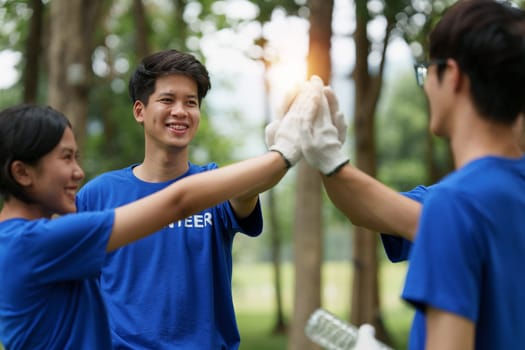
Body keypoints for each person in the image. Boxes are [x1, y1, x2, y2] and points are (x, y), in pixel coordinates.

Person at [271, 0, 525, 349]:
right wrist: (329, 160)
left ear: (451, 76)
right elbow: (372, 209)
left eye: (425, 71)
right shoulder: (500, 193)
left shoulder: (454, 206)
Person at [0, 78, 323, 348]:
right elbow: (178, 202)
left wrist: (272, 162)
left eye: (191, 101)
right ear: (23, 173)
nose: (78, 172)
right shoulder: (35, 244)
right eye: (66, 158)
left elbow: (233, 192)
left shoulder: (23, 242)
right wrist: (283, 153)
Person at [75, 50, 330, 349]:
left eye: (191, 102)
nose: (180, 111)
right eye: (168, 100)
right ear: (140, 111)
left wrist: (283, 151)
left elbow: (249, 188)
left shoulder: (213, 186)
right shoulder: (98, 194)